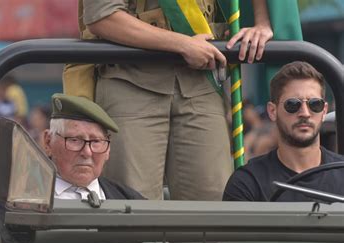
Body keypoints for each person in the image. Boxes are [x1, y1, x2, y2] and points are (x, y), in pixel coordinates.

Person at [82, 0, 273, 200]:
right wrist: (181, 44)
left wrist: (263, 23)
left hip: (202, 81)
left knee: (212, 208)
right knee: (133, 207)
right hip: (131, 79)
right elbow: (102, 16)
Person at [0, 93, 144, 243]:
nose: (87, 152)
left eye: (96, 142)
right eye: (75, 140)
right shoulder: (10, 189)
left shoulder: (131, 201)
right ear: (48, 142)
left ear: (108, 150)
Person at [223, 61, 344, 201]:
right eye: (292, 104)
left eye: (314, 104)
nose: (305, 113)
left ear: (324, 111)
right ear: (272, 111)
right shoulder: (248, 182)